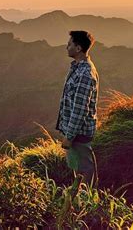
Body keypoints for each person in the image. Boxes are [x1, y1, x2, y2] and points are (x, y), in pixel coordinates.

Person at [56, 30, 99, 187]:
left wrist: (69, 136)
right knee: (78, 167)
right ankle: (78, 199)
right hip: (75, 132)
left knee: (84, 170)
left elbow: (80, 109)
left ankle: (89, 201)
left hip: (78, 133)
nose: (66, 47)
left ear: (79, 48)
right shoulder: (77, 68)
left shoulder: (85, 74)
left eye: (69, 44)